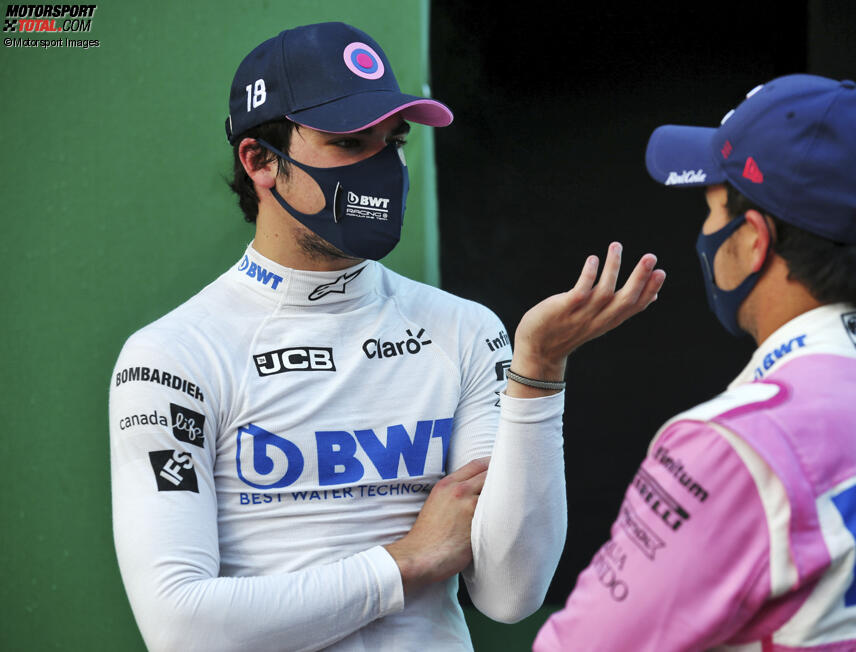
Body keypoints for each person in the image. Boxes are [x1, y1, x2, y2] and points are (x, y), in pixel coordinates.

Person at [108, 21, 666, 652]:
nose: (380, 166)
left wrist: (539, 368)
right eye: (348, 142)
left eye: (391, 141)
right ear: (260, 160)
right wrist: (404, 563)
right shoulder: (172, 357)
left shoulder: (464, 331)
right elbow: (181, 628)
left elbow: (510, 594)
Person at [534, 74, 856, 650]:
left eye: (712, 209)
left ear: (753, 240)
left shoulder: (732, 448)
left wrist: (536, 368)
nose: (704, 231)